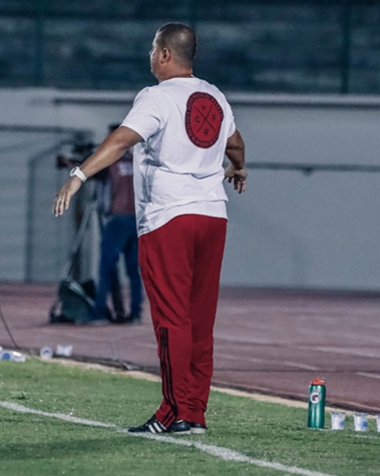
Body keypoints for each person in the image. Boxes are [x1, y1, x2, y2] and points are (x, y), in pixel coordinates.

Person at [53, 23, 247, 434]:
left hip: (169, 217)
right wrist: (240, 169)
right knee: (199, 320)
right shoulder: (214, 94)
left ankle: (172, 411)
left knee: (171, 319)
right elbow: (236, 144)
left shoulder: (156, 97)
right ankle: (194, 412)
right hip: (213, 216)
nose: (149, 55)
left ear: (163, 55)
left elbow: (121, 140)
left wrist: (78, 176)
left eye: (151, 49)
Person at [93, 124, 143, 324]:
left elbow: (90, 172)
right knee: (133, 270)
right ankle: (136, 312)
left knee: (106, 267)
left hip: (118, 218)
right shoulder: (139, 162)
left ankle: (98, 312)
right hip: (138, 219)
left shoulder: (110, 162)